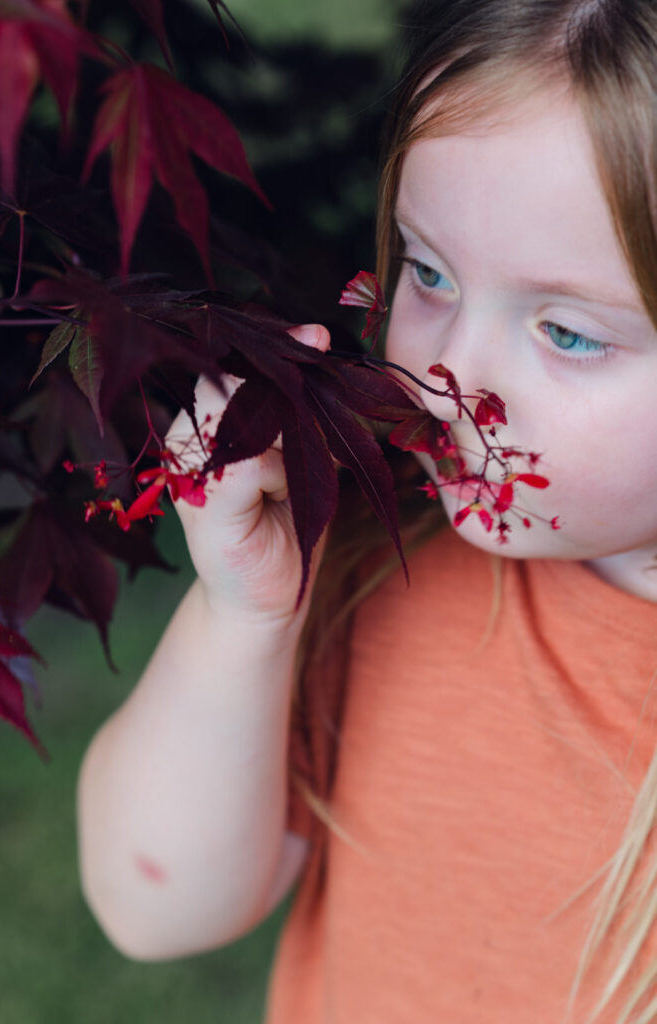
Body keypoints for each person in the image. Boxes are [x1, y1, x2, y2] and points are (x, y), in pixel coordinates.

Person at [75, 1, 657, 1021]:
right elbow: (149, 909)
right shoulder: (375, 557)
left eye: (565, 332)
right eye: (426, 272)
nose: (443, 373)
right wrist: (245, 618)